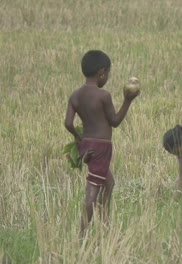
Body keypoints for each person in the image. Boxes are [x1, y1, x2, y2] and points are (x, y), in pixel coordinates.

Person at [64, 50, 140, 237]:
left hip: (87, 145)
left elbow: (67, 123)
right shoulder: (103, 95)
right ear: (102, 73)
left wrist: (77, 136)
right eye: (108, 74)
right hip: (102, 147)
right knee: (92, 192)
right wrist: (128, 100)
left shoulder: (75, 95)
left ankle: (104, 223)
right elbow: (114, 121)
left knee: (109, 182)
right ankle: (82, 234)